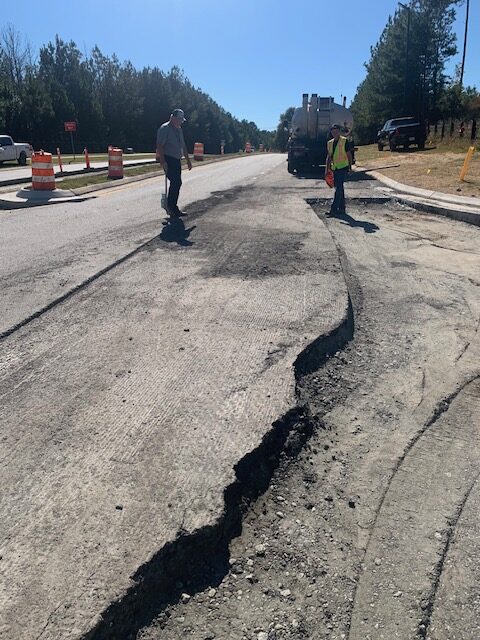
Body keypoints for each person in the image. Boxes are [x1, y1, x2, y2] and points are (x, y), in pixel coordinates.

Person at [156, 108, 192, 216]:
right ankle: (172, 207)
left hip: (176, 160)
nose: (180, 122)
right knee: (176, 182)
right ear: (173, 118)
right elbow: (160, 146)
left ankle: (171, 206)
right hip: (168, 159)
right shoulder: (165, 128)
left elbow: (183, 146)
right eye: (179, 120)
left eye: (182, 120)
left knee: (177, 183)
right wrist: (163, 162)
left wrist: (188, 160)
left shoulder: (179, 130)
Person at [325, 124, 353, 215]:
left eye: (336, 131)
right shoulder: (330, 143)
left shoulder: (344, 141)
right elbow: (329, 157)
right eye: (333, 131)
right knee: (339, 188)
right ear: (331, 132)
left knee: (338, 188)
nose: (334, 133)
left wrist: (350, 167)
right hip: (335, 168)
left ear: (339, 131)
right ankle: (342, 208)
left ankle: (333, 209)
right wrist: (327, 169)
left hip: (343, 167)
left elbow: (349, 155)